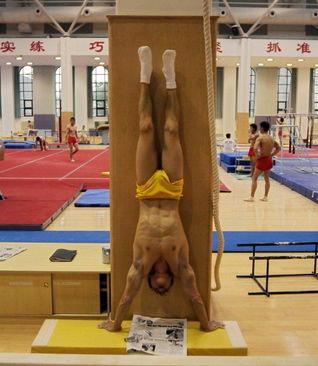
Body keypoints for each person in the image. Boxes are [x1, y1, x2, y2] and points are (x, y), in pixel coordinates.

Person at [98, 46, 224, 333]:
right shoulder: (179, 261)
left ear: (152, 281)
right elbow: (193, 293)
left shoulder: (140, 263)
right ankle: (169, 80)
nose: (160, 282)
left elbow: (128, 294)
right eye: (164, 285)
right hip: (173, 190)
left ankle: (145, 75)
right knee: (171, 129)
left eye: (156, 285)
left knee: (144, 128)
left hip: (145, 189)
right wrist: (206, 324)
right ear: (169, 282)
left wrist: (115, 323)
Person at [244, 121, 280, 202]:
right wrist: (272, 154)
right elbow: (278, 148)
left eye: (260, 127)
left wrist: (257, 155)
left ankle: (252, 197)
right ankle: (265, 196)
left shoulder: (260, 137)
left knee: (254, 178)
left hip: (262, 160)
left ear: (262, 128)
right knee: (266, 178)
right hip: (269, 159)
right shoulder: (271, 138)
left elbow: (255, 147)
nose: (259, 129)